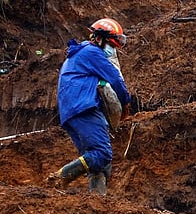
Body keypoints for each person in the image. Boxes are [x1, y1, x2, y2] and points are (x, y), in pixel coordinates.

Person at [47, 18, 132, 195]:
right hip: (84, 108)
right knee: (102, 153)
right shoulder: (92, 53)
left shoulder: (78, 54)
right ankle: (59, 178)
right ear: (99, 39)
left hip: (70, 113)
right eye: (111, 45)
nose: (113, 50)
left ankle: (97, 201)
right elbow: (115, 78)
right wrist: (126, 105)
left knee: (98, 161)